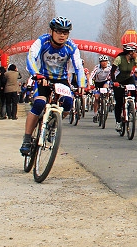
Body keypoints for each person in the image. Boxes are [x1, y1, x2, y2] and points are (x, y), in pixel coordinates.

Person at [20, 17, 86, 155]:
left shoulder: (71, 46)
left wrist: (81, 84)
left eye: (65, 33)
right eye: (58, 32)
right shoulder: (42, 41)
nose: (62, 35)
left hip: (61, 80)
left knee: (68, 103)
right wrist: (37, 74)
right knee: (39, 103)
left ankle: (53, 125)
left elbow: (78, 66)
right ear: (52, 31)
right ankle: (27, 138)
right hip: (43, 78)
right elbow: (31, 57)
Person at [109, 44, 137, 132]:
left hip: (129, 79)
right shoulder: (119, 58)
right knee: (119, 102)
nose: (136, 54)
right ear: (130, 52)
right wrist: (114, 82)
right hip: (119, 80)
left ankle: (131, 107)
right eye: (135, 52)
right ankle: (118, 122)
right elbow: (112, 71)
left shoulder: (135, 59)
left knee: (134, 92)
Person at [89, 55, 112, 122]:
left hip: (105, 82)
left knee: (106, 87)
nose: (104, 63)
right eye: (102, 61)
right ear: (100, 62)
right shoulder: (97, 68)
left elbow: (114, 75)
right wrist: (91, 84)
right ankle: (95, 114)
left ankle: (106, 101)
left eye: (105, 61)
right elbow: (91, 76)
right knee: (96, 98)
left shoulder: (110, 68)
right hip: (97, 83)